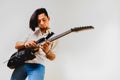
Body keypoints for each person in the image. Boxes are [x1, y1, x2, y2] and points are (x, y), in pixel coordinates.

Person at [10, 8, 56, 80]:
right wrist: (25, 44)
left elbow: (53, 57)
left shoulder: (54, 37)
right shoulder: (31, 31)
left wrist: (47, 51)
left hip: (38, 66)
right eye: (38, 21)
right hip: (22, 63)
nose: (41, 23)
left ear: (48, 18)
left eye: (44, 20)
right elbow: (16, 45)